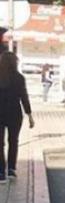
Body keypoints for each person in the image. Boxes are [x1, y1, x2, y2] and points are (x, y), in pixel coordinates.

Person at [0, 52, 35, 183]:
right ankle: (11, 170)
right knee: (13, 141)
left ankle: (1, 172)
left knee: (0, 144)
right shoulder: (19, 78)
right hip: (14, 114)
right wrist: (29, 115)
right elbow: (24, 97)